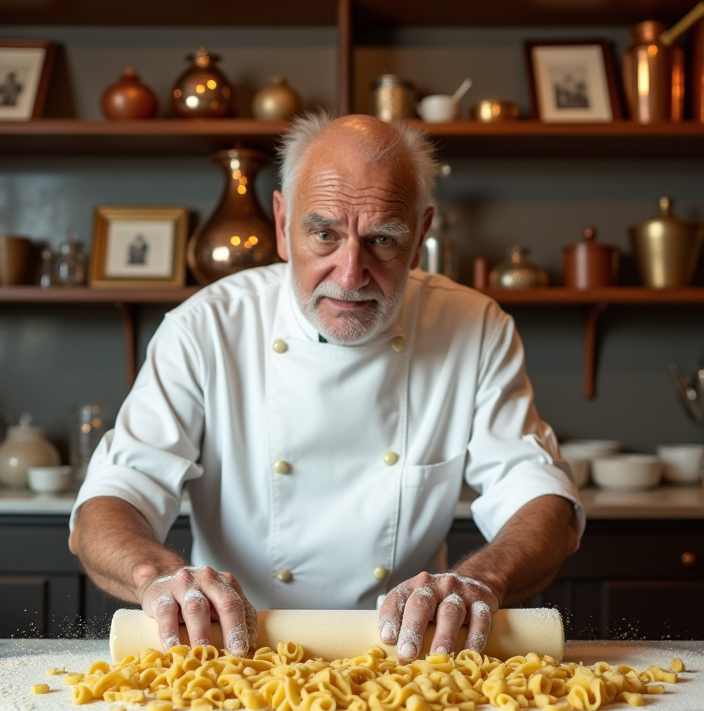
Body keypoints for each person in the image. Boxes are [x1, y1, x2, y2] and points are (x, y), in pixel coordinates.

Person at [70, 112, 583, 663]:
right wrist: (160, 578)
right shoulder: (205, 328)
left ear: (422, 235)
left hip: (406, 664)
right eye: (324, 234)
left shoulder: (476, 327)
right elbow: (113, 497)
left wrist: (482, 579)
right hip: (232, 659)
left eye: (383, 239)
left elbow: (537, 494)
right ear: (282, 223)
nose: (349, 274)